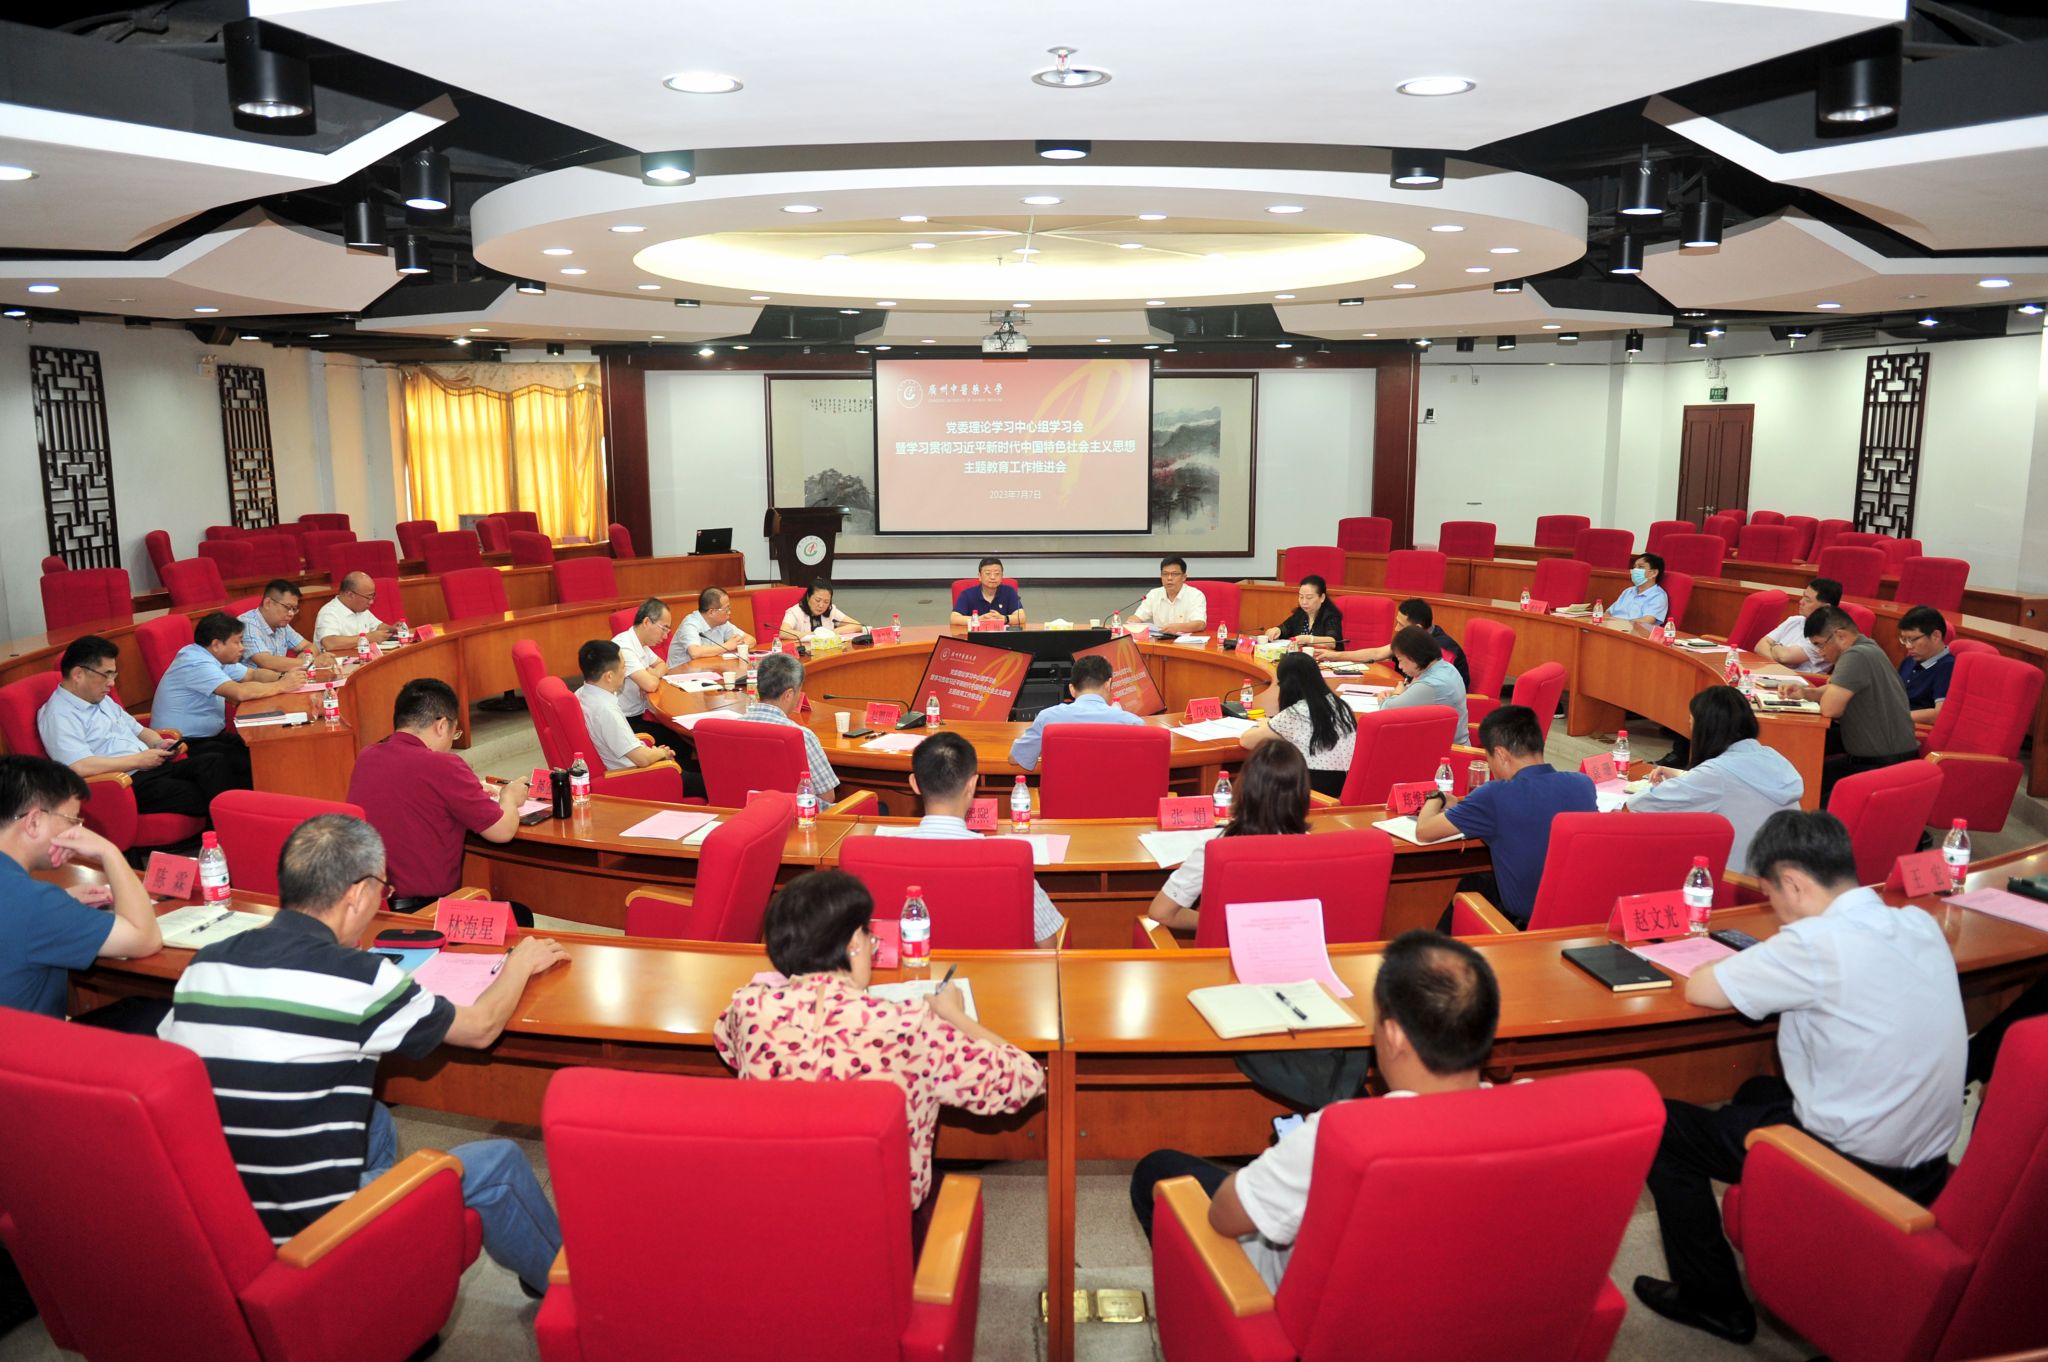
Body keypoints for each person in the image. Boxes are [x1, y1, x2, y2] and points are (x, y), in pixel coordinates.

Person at [158, 815, 569, 1296]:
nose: (381, 904)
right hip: (303, 1229)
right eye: (382, 892)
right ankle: (573, 1295)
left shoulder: (207, 961)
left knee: (373, 1119)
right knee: (498, 1163)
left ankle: (388, 1280)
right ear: (357, 894)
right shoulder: (358, 978)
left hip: (220, 1204)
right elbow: (479, 1029)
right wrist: (519, 964)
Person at [1633, 810, 1964, 1344]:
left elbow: (1701, 988)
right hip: (1926, 1166)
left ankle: (1714, 1302)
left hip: (1856, 1169)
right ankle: (1778, 1224)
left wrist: (1760, 958)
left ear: (1793, 882)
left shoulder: (1812, 944)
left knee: (1659, 1127)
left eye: (1772, 897)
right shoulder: (1916, 922)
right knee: (1757, 1091)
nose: (1776, 912)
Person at [1127, 929, 1499, 1289]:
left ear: (1394, 1035)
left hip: (1298, 1313)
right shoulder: (1538, 1116)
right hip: (1451, 1300)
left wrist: (1281, 1162)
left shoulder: (1337, 1136)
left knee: (1157, 1170)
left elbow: (1224, 1217)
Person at [715, 868, 1044, 1229]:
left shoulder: (748, 1009)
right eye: (870, 936)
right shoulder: (909, 1027)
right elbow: (1026, 1079)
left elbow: (726, 1042)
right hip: (876, 1226)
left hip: (770, 1213)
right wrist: (955, 1016)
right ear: (853, 943)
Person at [346, 679, 531, 916]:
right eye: (455, 734)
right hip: (426, 913)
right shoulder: (443, 765)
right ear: (442, 726)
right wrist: (509, 797)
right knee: (519, 915)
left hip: (370, 910)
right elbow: (502, 831)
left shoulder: (367, 756)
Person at [0, 755, 160, 1019]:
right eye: (71, 819)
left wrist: (62, 901)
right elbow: (145, 939)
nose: (76, 831)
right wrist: (109, 852)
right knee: (154, 1013)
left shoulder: (31, 901)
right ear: (34, 821)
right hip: (27, 1053)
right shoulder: (36, 903)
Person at [1416, 705, 1597, 929]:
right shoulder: (1583, 784)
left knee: (1472, 885)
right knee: (1479, 881)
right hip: (1579, 914)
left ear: (1500, 754)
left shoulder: (1494, 793)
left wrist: (1437, 796)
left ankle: (1434, 962)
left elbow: (1424, 831)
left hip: (1527, 920)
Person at [38, 634, 242, 819]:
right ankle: (230, 837)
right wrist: (139, 760)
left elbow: (139, 730)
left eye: (113, 675)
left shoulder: (100, 699)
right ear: (78, 674)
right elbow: (79, 766)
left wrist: (159, 743)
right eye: (106, 675)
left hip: (151, 768)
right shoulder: (59, 715)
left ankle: (233, 829)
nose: (111, 684)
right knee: (206, 793)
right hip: (124, 785)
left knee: (215, 762)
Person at [898, 732, 1064, 946]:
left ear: (914, 784)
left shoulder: (878, 853)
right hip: (993, 978)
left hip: (913, 975)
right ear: (972, 785)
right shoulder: (1008, 860)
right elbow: (1048, 945)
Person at [1627, 686, 1804, 870]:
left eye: (1691, 722)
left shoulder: (1716, 774)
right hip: (1784, 873)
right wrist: (1685, 776)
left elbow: (1642, 804)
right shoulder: (1771, 756)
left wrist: (1677, 782)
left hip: (1740, 881)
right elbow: (1732, 786)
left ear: (1705, 729)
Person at [1147, 741, 1314, 933]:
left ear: (1242, 787)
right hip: (1294, 953)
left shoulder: (1217, 849)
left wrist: (1228, 921)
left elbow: (1161, 912)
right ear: (1303, 793)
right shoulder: (1315, 850)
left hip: (1227, 959)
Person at [150, 612, 298, 783]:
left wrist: (282, 678)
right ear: (216, 645)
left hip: (210, 737)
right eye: (237, 642)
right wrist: (282, 686)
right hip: (184, 744)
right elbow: (238, 692)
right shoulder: (195, 663)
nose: (242, 648)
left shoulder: (214, 658)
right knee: (258, 762)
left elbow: (252, 674)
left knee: (265, 750)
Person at [1794, 606, 1920, 801]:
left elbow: (1830, 708)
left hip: (1882, 766)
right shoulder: (1868, 646)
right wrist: (1806, 693)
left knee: (1808, 796)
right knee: (1804, 781)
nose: (1820, 653)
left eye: (1820, 645)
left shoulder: (1855, 656)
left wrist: (1823, 693)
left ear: (1841, 636)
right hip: (1879, 758)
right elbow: (1835, 689)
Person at [1239, 652, 1355, 798]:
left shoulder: (1296, 713)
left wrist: (1264, 724)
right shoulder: (1340, 705)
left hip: (1314, 790)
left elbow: (1246, 741)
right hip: (1344, 784)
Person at [1007, 654, 1147, 771]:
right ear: (1108, 684)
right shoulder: (1133, 723)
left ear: (1072, 689)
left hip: (1062, 802)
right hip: (1117, 801)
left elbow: (1015, 759)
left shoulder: (1048, 718)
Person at [744, 652, 840, 802]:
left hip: (745, 814)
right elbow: (827, 797)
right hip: (797, 818)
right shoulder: (800, 735)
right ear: (788, 695)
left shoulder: (733, 726)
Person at [574, 639, 678, 772]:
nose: (626, 672)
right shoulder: (606, 711)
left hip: (635, 761)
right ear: (609, 676)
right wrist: (662, 753)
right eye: (623, 667)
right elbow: (642, 759)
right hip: (636, 776)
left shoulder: (581, 693)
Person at [1314, 598, 1469, 685]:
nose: (1396, 629)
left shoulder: (1442, 650)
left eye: (1401, 625)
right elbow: (1378, 652)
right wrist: (1333, 656)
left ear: (1417, 628)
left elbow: (1432, 685)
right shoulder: (1417, 639)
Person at [1379, 625, 1468, 733]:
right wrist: (1399, 693)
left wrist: (1395, 695)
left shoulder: (1430, 685)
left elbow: (1387, 712)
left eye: (1400, 660)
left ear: (1413, 656)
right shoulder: (1447, 667)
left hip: (1447, 748)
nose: (1400, 667)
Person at [611, 597, 676, 744]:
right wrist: (648, 678)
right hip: (623, 723)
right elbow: (650, 685)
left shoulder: (642, 644)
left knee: (678, 738)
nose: (665, 636)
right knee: (680, 741)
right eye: (664, 628)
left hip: (637, 716)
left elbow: (662, 664)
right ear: (646, 622)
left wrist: (650, 674)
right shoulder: (624, 646)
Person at [1757, 577, 1842, 673]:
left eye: (1808, 600)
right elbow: (1759, 646)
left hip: (1800, 683)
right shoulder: (1794, 620)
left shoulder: (1827, 636)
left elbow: (1785, 657)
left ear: (1825, 607)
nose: (1801, 602)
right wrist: (1778, 656)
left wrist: (1773, 645)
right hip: (1772, 673)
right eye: (1803, 596)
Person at [236, 580, 321, 673]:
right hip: (255, 684)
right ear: (268, 603)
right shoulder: (247, 625)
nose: (291, 613)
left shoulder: (282, 625)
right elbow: (267, 662)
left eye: (294, 609)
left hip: (281, 681)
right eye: (287, 607)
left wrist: (305, 656)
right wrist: (309, 662)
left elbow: (309, 646)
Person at [1895, 605, 1955, 721]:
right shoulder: (1909, 661)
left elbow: (1940, 713)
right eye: (1904, 639)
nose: (1908, 646)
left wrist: (1896, 718)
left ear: (1935, 636)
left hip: (1912, 727)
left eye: (1913, 639)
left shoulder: (1948, 667)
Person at [669, 586, 754, 664]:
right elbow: (694, 652)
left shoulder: (722, 623)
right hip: (681, 675)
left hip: (708, 670)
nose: (729, 612)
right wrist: (727, 646)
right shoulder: (690, 624)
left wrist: (740, 645)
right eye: (726, 609)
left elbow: (750, 639)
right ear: (712, 612)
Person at [314, 571, 395, 652]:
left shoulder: (361, 609)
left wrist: (393, 629)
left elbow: (377, 626)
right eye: (368, 597)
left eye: (373, 596)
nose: (371, 602)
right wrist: (367, 638)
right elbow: (329, 643)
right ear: (350, 595)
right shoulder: (329, 613)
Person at [1130, 556, 1208, 636]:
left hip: (1186, 643)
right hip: (1160, 642)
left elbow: (1200, 624)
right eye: (1165, 574)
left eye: (1174, 574)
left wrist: (1177, 627)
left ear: (1184, 577)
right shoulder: (1154, 594)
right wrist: (1131, 623)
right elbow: (1137, 617)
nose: (1169, 578)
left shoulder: (1195, 595)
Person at [1262, 575, 1345, 649]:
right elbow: (1285, 628)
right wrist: (1276, 630)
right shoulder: (1301, 614)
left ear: (1322, 597)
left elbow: (1333, 642)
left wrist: (1309, 639)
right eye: (1301, 597)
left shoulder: (1331, 616)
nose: (1304, 602)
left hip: (1327, 662)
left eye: (1309, 597)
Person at [950, 557, 1025, 627]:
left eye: (997, 574)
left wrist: (1004, 618)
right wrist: (978, 619)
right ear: (979, 576)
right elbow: (954, 618)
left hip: (1002, 637)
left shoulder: (1009, 591)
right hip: (975, 637)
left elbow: (1021, 617)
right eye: (988, 573)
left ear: (1002, 576)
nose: (993, 577)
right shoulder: (967, 594)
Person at [781, 580, 862, 638]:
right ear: (808, 597)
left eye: (826, 602)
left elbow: (857, 625)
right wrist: (814, 635)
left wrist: (833, 632)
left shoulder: (831, 610)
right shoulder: (795, 612)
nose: (821, 605)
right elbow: (783, 632)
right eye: (817, 600)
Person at [1607, 552, 1670, 626]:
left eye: (1640, 567)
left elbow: (1647, 621)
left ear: (1654, 573)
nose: (1635, 570)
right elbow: (1609, 612)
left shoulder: (1658, 596)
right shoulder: (1628, 591)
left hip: (1633, 632)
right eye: (1634, 567)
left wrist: (1619, 624)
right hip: (1612, 627)